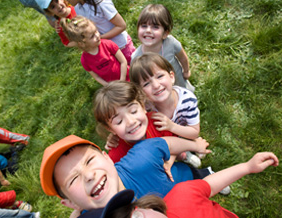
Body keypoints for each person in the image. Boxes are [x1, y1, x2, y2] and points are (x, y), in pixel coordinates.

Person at [39, 135, 211, 213]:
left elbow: (166, 144)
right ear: (70, 203)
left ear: (107, 158)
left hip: (195, 184)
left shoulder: (142, 158)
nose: (89, 175)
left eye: (89, 160)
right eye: (73, 179)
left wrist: (196, 146)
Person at [77, 152, 279, 218]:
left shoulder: (181, 194)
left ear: (145, 207)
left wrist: (247, 166)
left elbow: (208, 185)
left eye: (137, 217)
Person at [93, 80, 201, 168]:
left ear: (143, 107)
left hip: (169, 157)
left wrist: (170, 162)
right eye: (119, 121)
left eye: (134, 111)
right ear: (110, 129)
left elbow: (174, 142)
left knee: (179, 153)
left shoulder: (157, 121)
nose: (131, 122)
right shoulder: (117, 156)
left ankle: (184, 156)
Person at [130, 53, 204, 162]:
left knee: (191, 139)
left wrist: (171, 127)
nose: (156, 85)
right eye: (146, 84)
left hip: (183, 132)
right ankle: (182, 154)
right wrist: (114, 138)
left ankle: (190, 147)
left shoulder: (187, 100)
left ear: (171, 77)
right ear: (141, 92)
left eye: (159, 76)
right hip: (162, 139)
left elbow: (194, 132)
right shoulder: (144, 107)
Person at [131, 4, 195, 92]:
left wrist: (186, 71)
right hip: (157, 88)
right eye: (144, 26)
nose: (148, 30)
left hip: (177, 81)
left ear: (165, 34)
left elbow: (182, 57)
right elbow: (138, 81)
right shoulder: (136, 57)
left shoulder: (171, 43)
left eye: (155, 27)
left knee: (181, 96)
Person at [60, 16, 129, 86]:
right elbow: (96, 77)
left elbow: (123, 61)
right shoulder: (85, 60)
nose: (97, 35)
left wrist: (122, 80)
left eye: (96, 31)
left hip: (127, 76)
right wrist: (108, 86)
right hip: (114, 86)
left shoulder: (107, 44)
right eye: (92, 36)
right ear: (82, 43)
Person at [66, 0, 135, 64]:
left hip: (122, 46)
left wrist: (99, 37)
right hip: (107, 52)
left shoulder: (102, 4)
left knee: (139, 70)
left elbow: (121, 26)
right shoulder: (78, 9)